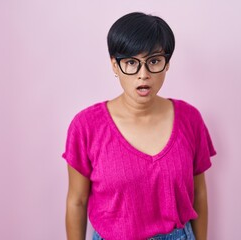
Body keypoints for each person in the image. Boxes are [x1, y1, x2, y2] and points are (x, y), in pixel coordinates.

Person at [62, 12, 216, 240]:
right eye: (131, 63)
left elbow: (199, 192)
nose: (143, 75)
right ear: (115, 65)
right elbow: (77, 200)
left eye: (154, 61)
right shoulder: (86, 126)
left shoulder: (189, 119)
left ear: (167, 64)